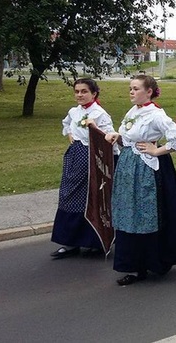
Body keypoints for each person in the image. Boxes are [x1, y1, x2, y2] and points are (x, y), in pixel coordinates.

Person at [106, 74, 176, 286]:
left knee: (145, 215)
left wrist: (158, 151)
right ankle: (132, 264)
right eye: (130, 88)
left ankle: (149, 262)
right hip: (128, 168)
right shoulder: (133, 111)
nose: (131, 92)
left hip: (147, 170)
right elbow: (129, 137)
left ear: (149, 92)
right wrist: (117, 137)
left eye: (136, 88)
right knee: (129, 213)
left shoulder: (156, 114)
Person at [50, 78, 117, 259]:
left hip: (92, 159)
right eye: (77, 91)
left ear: (94, 93)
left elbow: (109, 139)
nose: (80, 95)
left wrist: (94, 128)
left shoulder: (100, 114)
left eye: (84, 91)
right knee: (68, 196)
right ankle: (70, 242)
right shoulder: (74, 111)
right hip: (74, 158)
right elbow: (66, 124)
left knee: (91, 199)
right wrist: (71, 135)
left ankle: (94, 241)